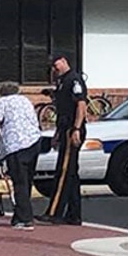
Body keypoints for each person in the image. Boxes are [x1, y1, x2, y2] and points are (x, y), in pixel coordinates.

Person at [0, 81, 41, 231]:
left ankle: (25, 219)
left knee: (19, 182)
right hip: (34, 142)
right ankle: (19, 214)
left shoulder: (2, 102)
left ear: (1, 92)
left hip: (16, 145)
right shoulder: (25, 100)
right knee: (27, 180)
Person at [35, 54, 87, 226]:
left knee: (63, 171)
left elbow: (81, 105)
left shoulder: (74, 80)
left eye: (56, 65)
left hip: (72, 129)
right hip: (64, 128)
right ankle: (74, 214)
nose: (54, 69)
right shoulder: (61, 81)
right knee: (71, 173)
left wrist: (76, 129)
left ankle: (54, 213)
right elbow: (62, 110)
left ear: (64, 61)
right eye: (52, 67)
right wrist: (57, 133)